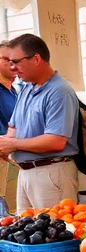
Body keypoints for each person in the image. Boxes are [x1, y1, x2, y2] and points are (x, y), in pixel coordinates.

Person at [0, 34, 79, 210]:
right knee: (23, 234)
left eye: (16, 61)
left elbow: (56, 141)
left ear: (36, 59)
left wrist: (11, 143)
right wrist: (5, 143)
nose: (13, 68)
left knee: (53, 234)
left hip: (52, 172)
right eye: (9, 62)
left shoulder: (59, 91)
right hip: (26, 173)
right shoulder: (26, 88)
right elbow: (13, 127)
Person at [0, 41, 20, 212]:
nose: (13, 64)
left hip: (17, 160)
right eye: (7, 59)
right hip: (5, 160)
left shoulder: (15, 91)